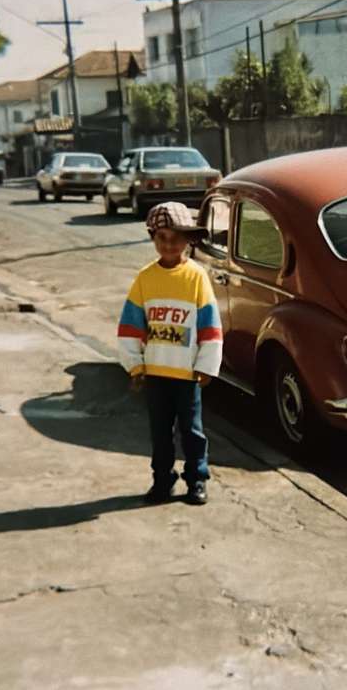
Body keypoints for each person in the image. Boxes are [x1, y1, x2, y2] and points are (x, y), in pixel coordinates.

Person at [117, 201, 223, 505]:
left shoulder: (196, 277)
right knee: (160, 433)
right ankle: (162, 481)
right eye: (162, 238)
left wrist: (206, 365)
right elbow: (131, 326)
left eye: (176, 238)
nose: (169, 244)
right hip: (156, 373)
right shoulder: (145, 278)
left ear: (187, 239)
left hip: (187, 374)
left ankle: (196, 480)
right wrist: (135, 366)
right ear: (153, 238)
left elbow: (210, 325)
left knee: (192, 431)